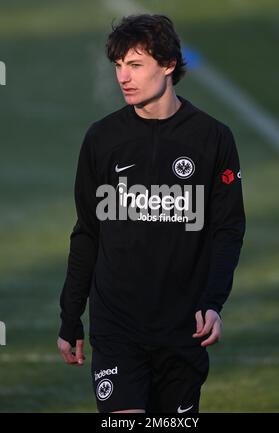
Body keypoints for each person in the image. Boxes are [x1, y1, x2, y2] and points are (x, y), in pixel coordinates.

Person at [57, 14, 246, 414]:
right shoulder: (102, 139)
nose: (123, 77)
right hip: (116, 327)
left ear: (168, 64)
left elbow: (227, 230)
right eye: (118, 66)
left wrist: (213, 303)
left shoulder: (212, 138)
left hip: (183, 329)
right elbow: (87, 231)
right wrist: (70, 315)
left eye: (135, 65)